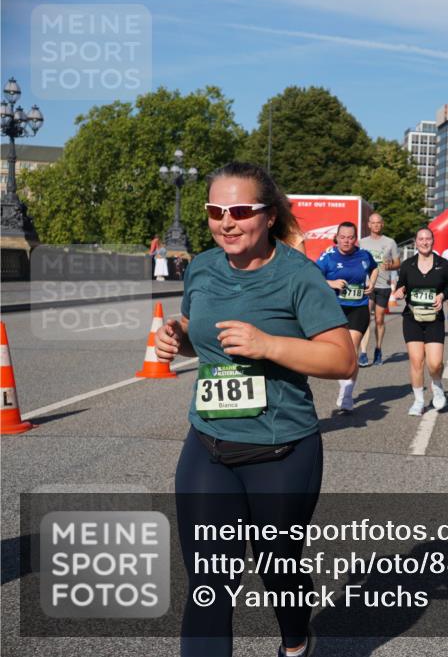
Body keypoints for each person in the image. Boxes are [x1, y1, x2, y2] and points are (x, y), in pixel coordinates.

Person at [155, 161, 355, 657]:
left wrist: (269, 345)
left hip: (281, 453)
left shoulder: (298, 275)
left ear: (268, 216)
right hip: (208, 446)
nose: (227, 222)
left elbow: (342, 359)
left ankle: (296, 638)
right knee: (208, 584)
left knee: (278, 569)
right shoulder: (202, 267)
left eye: (241, 211)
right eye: (215, 211)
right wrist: (176, 339)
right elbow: (203, 337)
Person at [394, 227, 448, 416]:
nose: (424, 242)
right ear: (416, 242)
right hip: (412, 317)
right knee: (416, 361)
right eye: (421, 239)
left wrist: (442, 295)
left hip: (434, 319)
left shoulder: (443, 265)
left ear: (433, 241)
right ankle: (419, 401)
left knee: (435, 363)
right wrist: (400, 291)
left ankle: (437, 386)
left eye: (428, 238)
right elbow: (402, 285)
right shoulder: (408, 265)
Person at [315, 221, 378, 414]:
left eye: (350, 238)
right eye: (342, 237)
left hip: (358, 308)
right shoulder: (328, 257)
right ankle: (345, 384)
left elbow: (375, 268)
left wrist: (372, 283)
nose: (346, 241)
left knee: (351, 350)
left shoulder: (364, 255)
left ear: (355, 239)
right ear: (337, 237)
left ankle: (347, 394)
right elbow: (313, 277)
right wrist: (331, 282)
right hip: (335, 309)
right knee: (338, 353)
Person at [359, 213, 400, 367]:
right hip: (367, 285)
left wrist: (391, 266)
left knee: (379, 319)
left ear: (382, 224)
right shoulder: (362, 243)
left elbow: (398, 263)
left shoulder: (390, 242)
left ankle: (378, 349)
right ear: (368, 225)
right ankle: (363, 353)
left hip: (383, 285)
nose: (376, 225)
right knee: (365, 318)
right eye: (373, 223)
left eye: (378, 223)